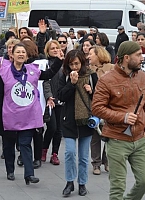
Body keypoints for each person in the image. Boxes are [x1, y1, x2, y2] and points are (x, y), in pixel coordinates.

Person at [92, 41, 145, 200]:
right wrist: (123, 117)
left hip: (141, 138)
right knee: (117, 187)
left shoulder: (142, 76)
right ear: (126, 57)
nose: (142, 58)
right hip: (117, 139)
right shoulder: (107, 80)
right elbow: (97, 108)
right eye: (138, 55)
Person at [0, 43, 63, 184]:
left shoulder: (33, 70)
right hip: (9, 115)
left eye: (23, 52)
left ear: (26, 56)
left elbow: (48, 74)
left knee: (25, 144)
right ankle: (10, 170)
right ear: (12, 55)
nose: (20, 54)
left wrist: (59, 61)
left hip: (28, 115)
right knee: (9, 145)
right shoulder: (3, 71)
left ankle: (29, 174)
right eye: (17, 51)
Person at [58, 49, 98, 197]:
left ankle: (82, 183)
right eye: (71, 64)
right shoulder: (65, 76)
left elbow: (99, 98)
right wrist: (72, 84)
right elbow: (61, 96)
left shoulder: (91, 75)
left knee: (83, 156)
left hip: (86, 120)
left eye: (77, 64)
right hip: (69, 120)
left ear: (82, 62)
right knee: (69, 152)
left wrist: (91, 91)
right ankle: (69, 182)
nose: (74, 67)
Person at [88, 45, 114, 175]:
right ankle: (96, 163)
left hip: (110, 106)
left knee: (109, 134)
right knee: (95, 136)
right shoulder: (88, 69)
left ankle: (107, 161)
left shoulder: (112, 68)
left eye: (91, 54)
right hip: (94, 106)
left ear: (99, 55)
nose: (88, 57)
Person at [41, 40, 64, 165]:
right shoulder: (46, 64)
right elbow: (46, 82)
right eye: (52, 48)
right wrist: (49, 96)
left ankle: (55, 153)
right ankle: (44, 150)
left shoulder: (64, 64)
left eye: (57, 48)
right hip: (49, 101)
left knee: (59, 130)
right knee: (52, 127)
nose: (55, 50)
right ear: (47, 51)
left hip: (61, 101)